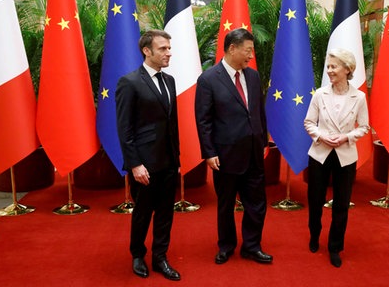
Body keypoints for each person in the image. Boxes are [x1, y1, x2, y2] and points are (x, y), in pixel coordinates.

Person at [195, 28, 272, 265]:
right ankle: (226, 246)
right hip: (225, 155)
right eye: (248, 50)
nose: (251, 55)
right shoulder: (208, 79)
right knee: (226, 204)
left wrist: (263, 140)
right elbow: (203, 120)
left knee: (257, 204)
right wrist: (209, 152)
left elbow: (258, 111)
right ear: (232, 48)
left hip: (253, 152)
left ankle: (252, 246)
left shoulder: (253, 76)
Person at [115, 29, 181, 281]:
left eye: (169, 48)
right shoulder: (129, 82)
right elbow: (124, 128)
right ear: (147, 51)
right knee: (143, 212)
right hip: (144, 164)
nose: (168, 53)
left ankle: (160, 257)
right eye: (163, 48)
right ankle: (137, 254)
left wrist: (177, 159)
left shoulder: (170, 80)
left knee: (166, 212)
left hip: (168, 162)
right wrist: (135, 165)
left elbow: (172, 123)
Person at [303, 48, 370, 268]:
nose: (330, 71)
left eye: (334, 67)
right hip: (320, 154)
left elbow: (365, 127)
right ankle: (314, 235)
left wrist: (347, 137)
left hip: (345, 156)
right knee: (315, 199)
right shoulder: (320, 94)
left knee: (341, 204)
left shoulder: (359, 97)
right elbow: (309, 123)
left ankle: (334, 247)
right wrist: (322, 136)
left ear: (347, 69)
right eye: (328, 67)